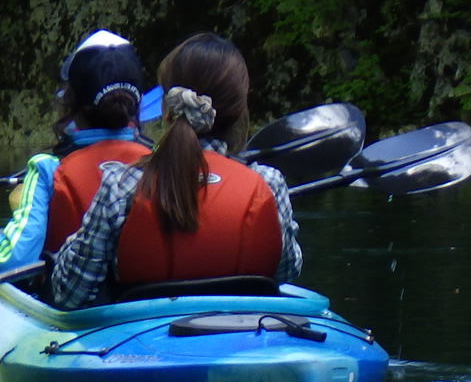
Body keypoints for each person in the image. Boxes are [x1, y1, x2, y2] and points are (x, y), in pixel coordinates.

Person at [46, 33, 302, 310]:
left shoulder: (120, 184)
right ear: (241, 111)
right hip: (246, 333)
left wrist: (81, 239)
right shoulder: (269, 183)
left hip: (138, 340)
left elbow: (70, 294)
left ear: (167, 108)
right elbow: (286, 270)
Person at [0, 30, 152, 275]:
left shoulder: (47, 169)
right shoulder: (165, 161)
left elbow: (12, 259)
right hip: (150, 299)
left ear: (70, 102)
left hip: (73, 305)